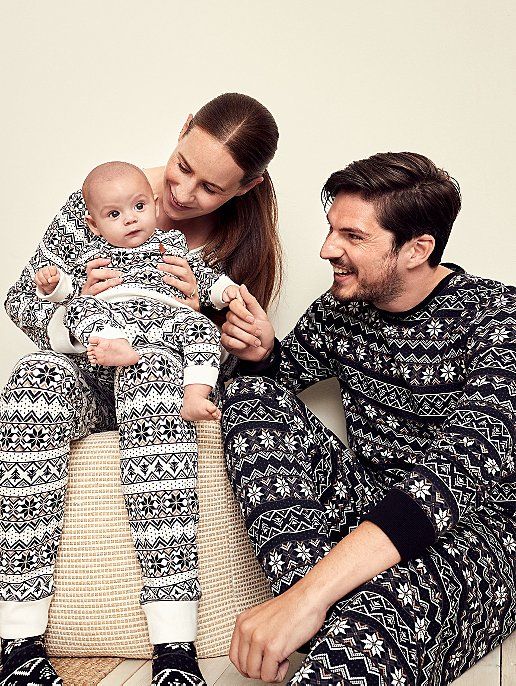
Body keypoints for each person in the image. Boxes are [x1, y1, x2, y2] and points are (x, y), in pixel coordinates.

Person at [0, 93, 281, 686]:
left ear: (247, 187)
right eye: (183, 166)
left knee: (156, 395)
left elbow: (219, 370)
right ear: (181, 132)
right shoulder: (103, 195)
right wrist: (78, 300)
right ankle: (17, 641)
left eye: (210, 187)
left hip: (162, 380)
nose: (182, 193)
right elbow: (21, 301)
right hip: (87, 366)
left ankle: (172, 649)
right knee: (30, 379)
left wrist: (234, 333)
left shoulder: (237, 246)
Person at [221, 152, 515, 685]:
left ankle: (325, 613)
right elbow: (281, 378)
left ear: (417, 249)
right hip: (366, 501)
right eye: (332, 229)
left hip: (478, 537)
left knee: (364, 640)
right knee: (251, 393)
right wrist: (263, 353)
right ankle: (315, 612)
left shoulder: (499, 320)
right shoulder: (341, 309)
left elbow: (454, 478)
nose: (327, 249)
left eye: (352, 236)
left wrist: (308, 597)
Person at [36, 160, 243, 422]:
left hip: (165, 321)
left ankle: (195, 395)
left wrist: (225, 290)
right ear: (94, 225)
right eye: (114, 214)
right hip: (114, 322)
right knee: (79, 307)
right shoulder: (95, 255)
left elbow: (202, 275)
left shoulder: (170, 246)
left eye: (139, 206)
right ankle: (115, 346)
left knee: (201, 327)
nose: (130, 218)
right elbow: (73, 289)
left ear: (154, 206)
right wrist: (54, 286)